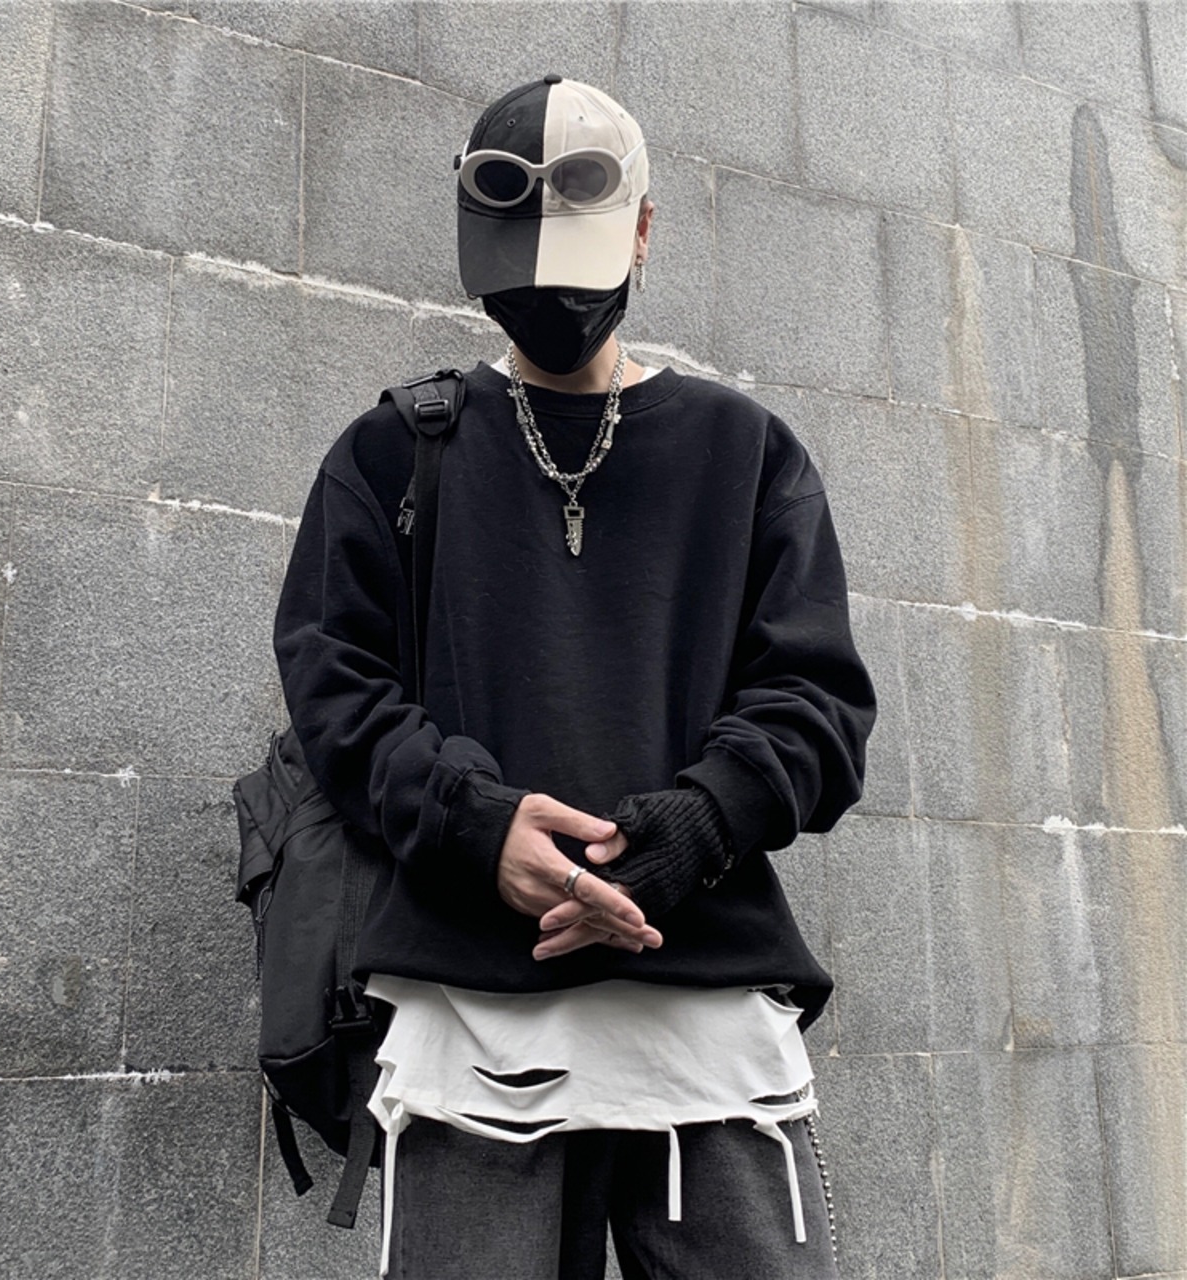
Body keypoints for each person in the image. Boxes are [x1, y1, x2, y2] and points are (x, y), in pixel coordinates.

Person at [273, 74, 876, 1280]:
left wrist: (694, 826)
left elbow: (818, 702)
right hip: (470, 1024)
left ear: (644, 229)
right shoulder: (392, 449)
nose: (553, 301)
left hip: (704, 1021)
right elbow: (332, 684)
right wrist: (474, 824)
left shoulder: (743, 450)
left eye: (581, 263)